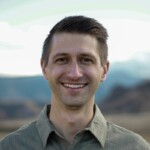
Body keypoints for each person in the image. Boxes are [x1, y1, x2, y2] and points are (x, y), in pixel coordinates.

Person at [0, 15, 150, 150]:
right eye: (62, 60)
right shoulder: (9, 147)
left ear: (104, 70)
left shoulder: (135, 147)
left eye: (86, 60)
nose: (74, 74)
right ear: (44, 68)